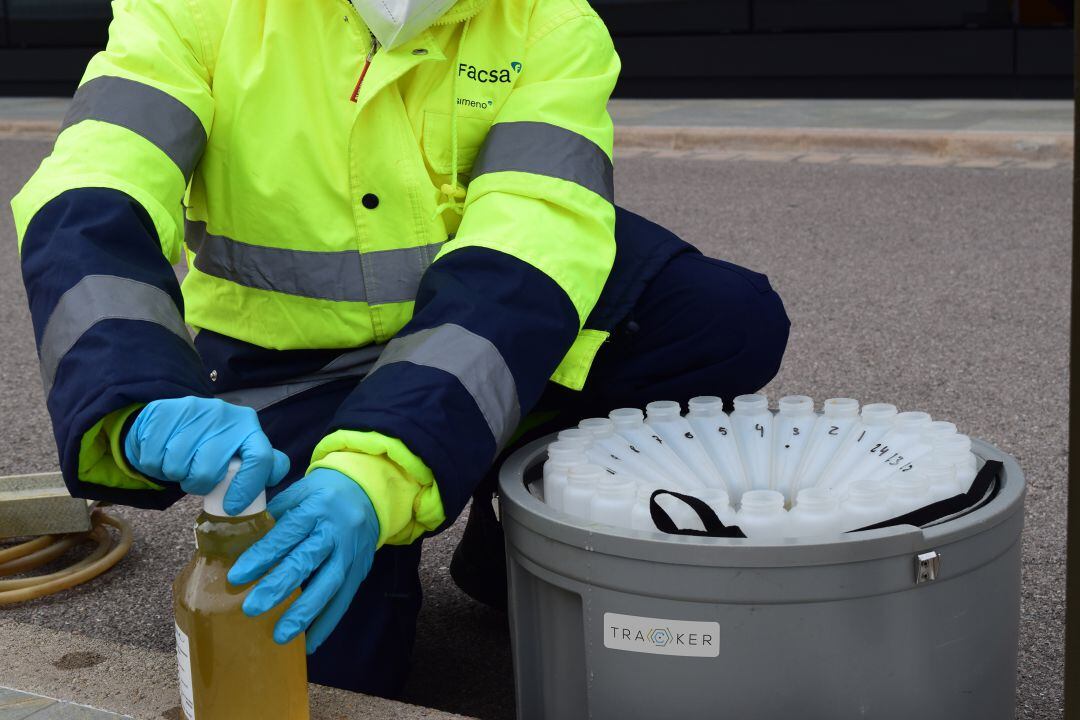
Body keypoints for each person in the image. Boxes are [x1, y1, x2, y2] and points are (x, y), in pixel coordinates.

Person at [11, 0, 789, 697]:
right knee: (327, 672)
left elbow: (527, 256)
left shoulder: (549, 22)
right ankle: (429, 474)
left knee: (721, 319)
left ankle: (509, 537)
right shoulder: (199, 8)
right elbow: (95, 190)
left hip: (486, 330)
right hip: (294, 368)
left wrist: (383, 468)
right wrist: (137, 389)